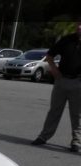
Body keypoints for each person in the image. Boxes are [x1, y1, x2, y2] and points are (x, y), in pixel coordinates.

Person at [32, 22, 81, 153]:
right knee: (54, 111)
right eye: (79, 24)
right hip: (61, 81)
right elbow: (49, 56)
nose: (79, 27)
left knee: (77, 114)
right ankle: (43, 137)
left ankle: (76, 141)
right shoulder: (67, 40)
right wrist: (54, 70)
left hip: (78, 83)